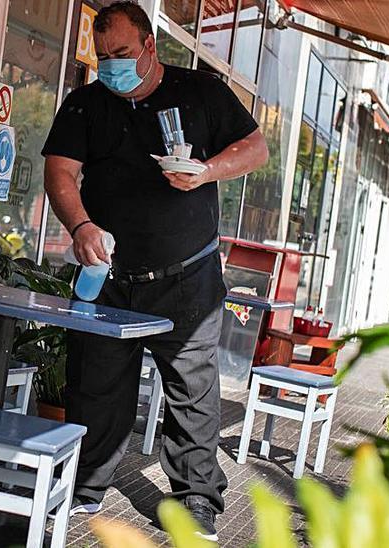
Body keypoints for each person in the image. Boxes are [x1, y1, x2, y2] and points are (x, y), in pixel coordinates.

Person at [40, 1, 268, 541]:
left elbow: (256, 149)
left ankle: (197, 502)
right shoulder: (85, 105)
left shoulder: (201, 93)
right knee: (95, 387)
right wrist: (81, 228)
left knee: (193, 393)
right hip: (109, 277)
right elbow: (59, 175)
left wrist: (207, 170)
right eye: (103, 56)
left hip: (188, 279)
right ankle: (84, 489)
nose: (111, 65)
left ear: (149, 47)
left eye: (121, 53)